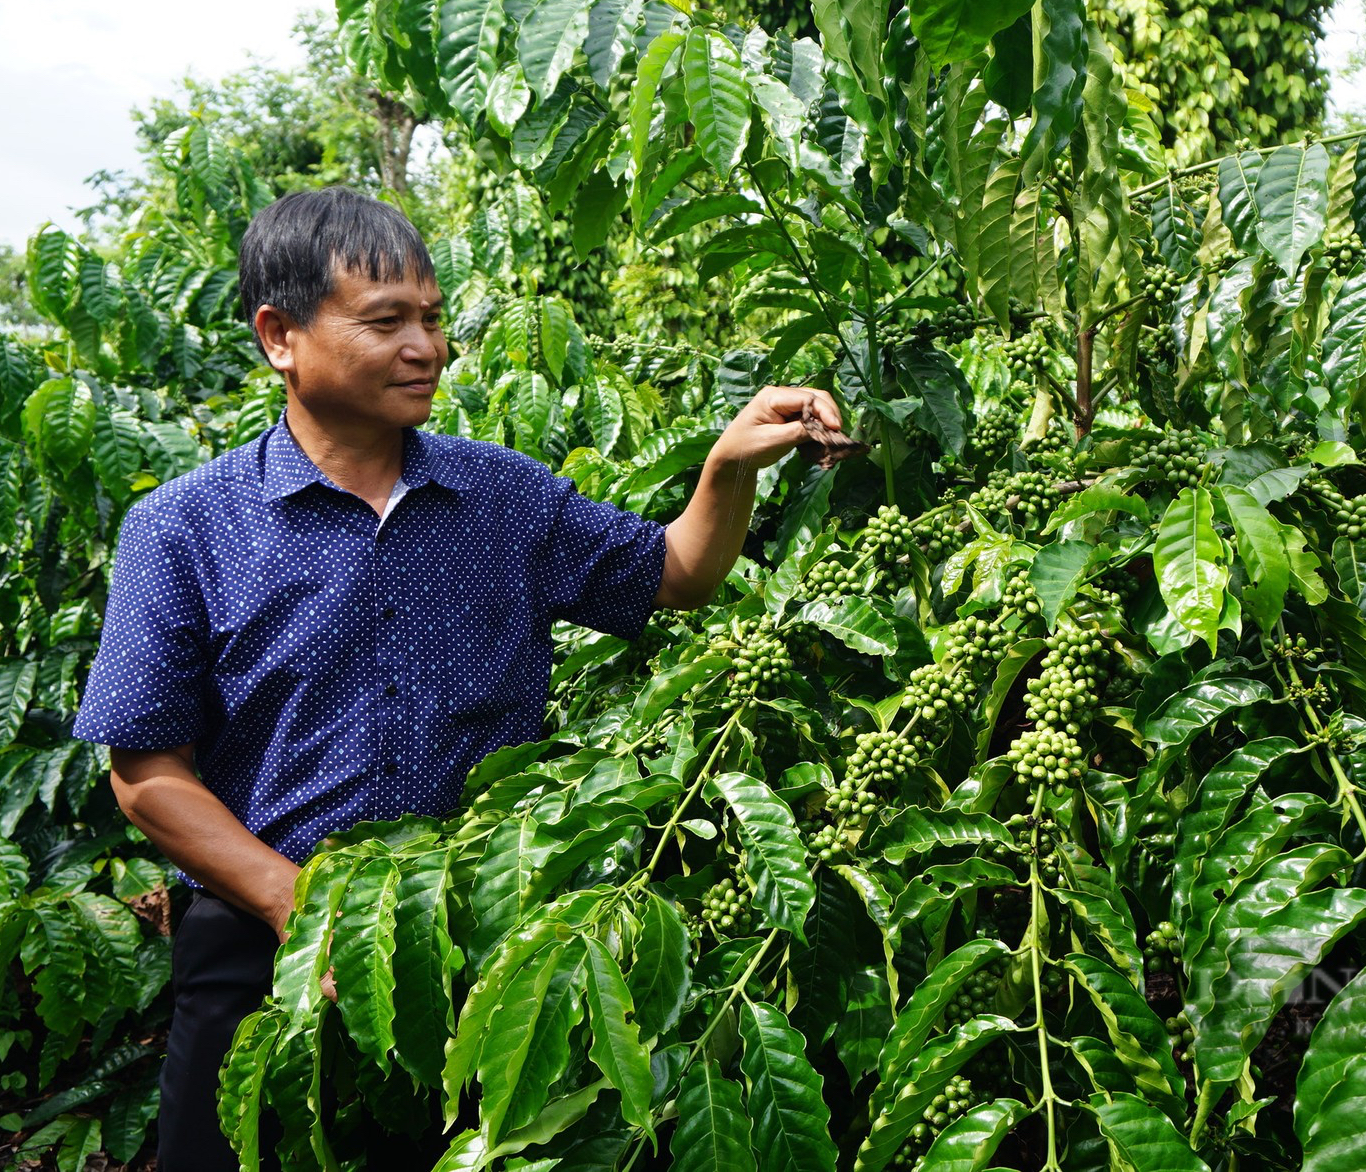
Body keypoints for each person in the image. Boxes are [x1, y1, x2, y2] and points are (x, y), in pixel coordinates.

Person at [70, 186, 839, 1170]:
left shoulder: (502, 497)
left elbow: (674, 573)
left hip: (476, 941)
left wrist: (729, 464)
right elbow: (146, 773)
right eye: (385, 321)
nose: (425, 346)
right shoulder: (184, 528)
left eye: (431, 319)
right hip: (258, 949)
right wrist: (293, 901)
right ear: (279, 335)